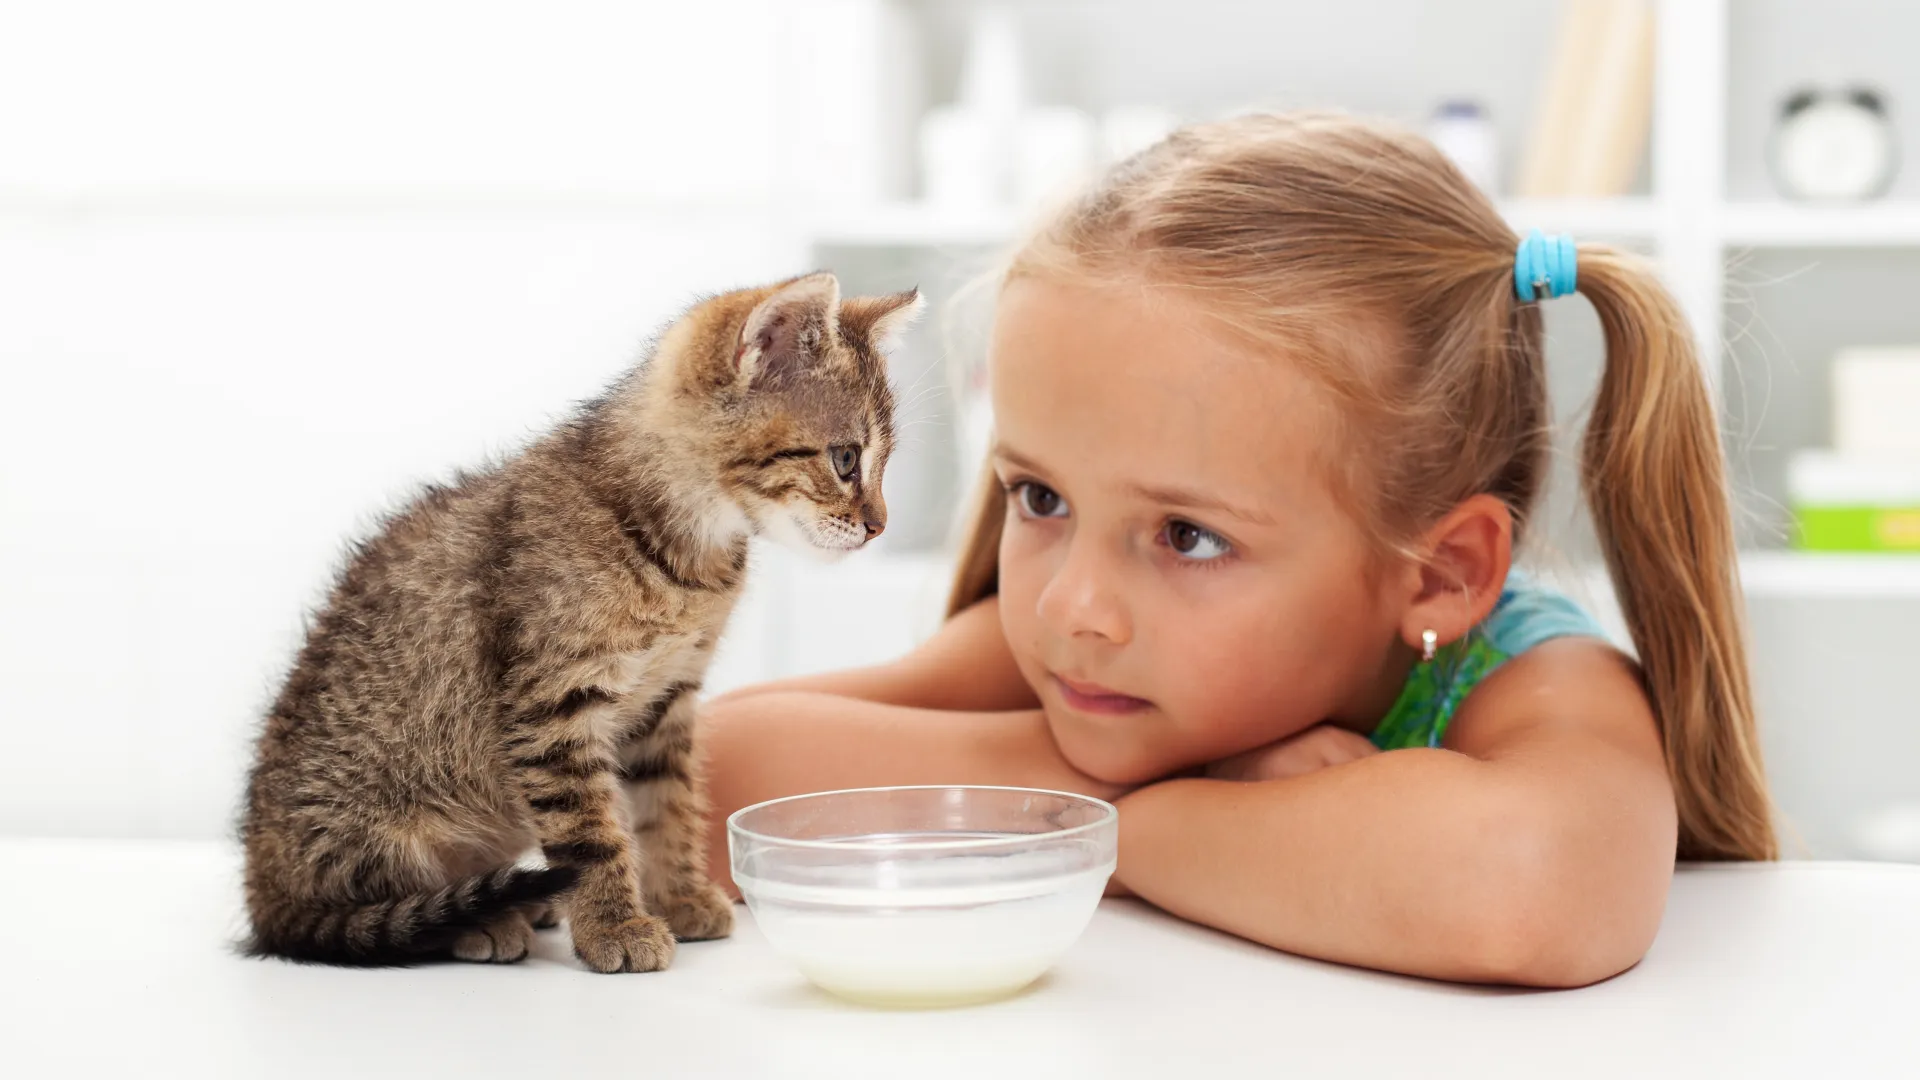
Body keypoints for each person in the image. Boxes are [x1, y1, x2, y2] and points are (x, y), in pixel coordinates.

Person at [700, 112, 1774, 988]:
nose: (1073, 603)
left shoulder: (1538, 681)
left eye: (1188, 536)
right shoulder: (1081, 647)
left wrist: (1123, 827)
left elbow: (1533, 888)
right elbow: (700, 778)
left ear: (1441, 576)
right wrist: (1238, 802)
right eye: (1040, 495)